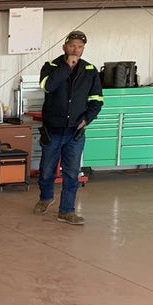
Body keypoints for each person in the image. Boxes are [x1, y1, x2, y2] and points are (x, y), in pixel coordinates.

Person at [33, 30, 103, 224]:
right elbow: (48, 86)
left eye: (80, 46)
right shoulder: (51, 66)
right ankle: (46, 198)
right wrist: (66, 67)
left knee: (72, 173)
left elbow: (97, 100)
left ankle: (66, 211)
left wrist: (87, 119)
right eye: (72, 45)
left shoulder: (90, 70)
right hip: (52, 131)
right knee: (47, 171)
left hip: (75, 132)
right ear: (64, 47)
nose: (76, 49)